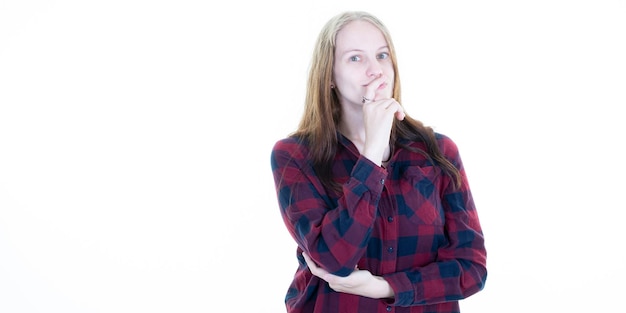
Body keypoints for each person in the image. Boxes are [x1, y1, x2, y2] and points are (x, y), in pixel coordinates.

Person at [270, 10, 487, 313]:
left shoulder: (439, 151)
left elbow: (471, 268)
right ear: (329, 76)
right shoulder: (295, 156)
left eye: (382, 55)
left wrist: (384, 287)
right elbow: (333, 258)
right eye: (356, 59)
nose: (376, 70)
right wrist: (371, 153)